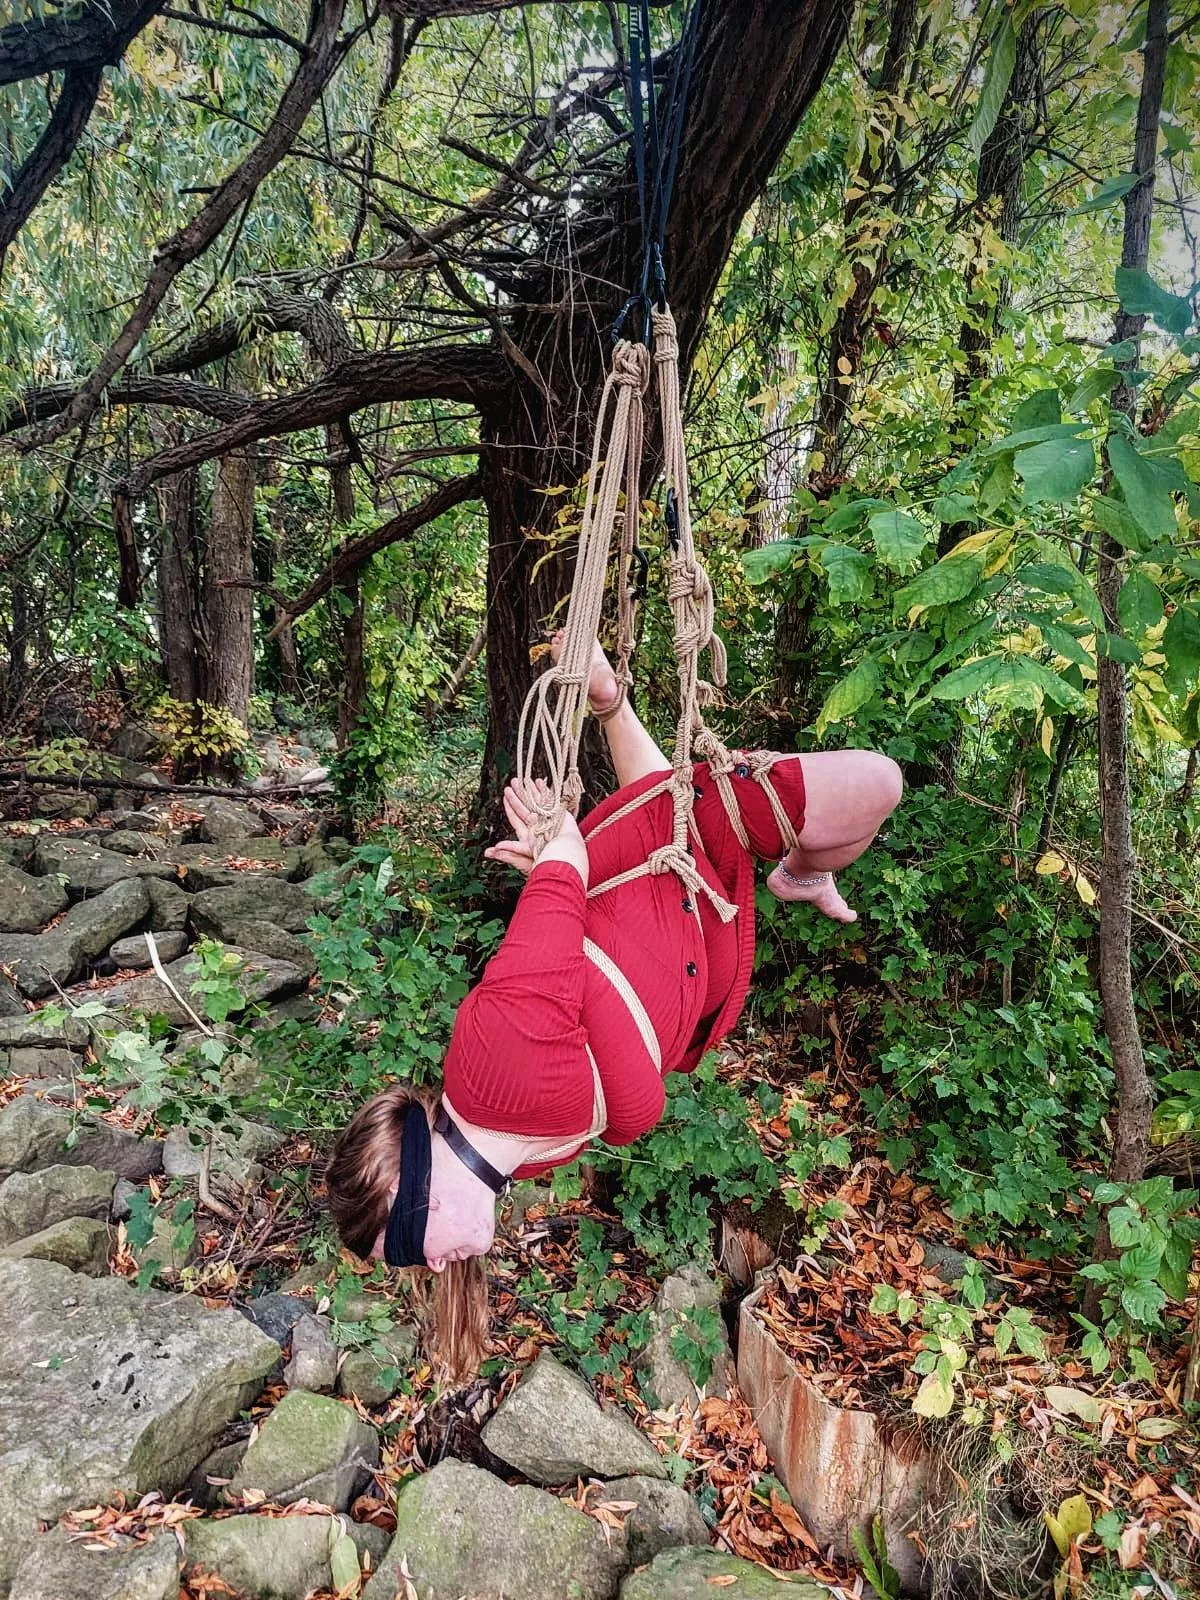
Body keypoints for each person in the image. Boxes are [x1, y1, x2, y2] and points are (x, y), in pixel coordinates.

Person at [325, 643, 902, 1375]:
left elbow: (564, 878)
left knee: (877, 784)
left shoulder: (491, 1061)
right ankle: (613, 704)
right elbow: (577, 974)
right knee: (679, 810)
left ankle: (802, 871)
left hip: (662, 879)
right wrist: (554, 881)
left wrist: (556, 861)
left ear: (408, 1188)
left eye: (408, 1248)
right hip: (681, 914)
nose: (435, 1266)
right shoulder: (522, 1158)